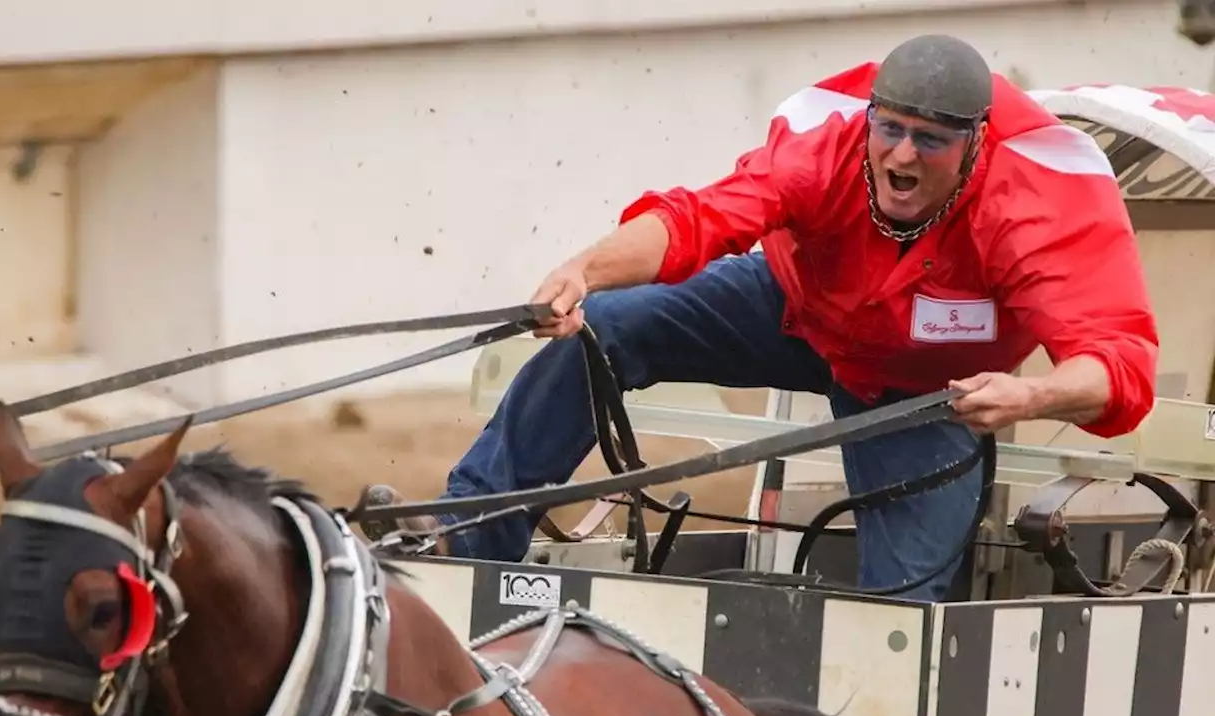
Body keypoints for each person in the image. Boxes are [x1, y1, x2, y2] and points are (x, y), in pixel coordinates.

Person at [359, 33, 1159, 602]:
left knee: (900, 618)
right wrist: (581, 271)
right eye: (891, 130)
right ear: (868, 121)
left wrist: (1029, 398)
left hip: (922, 390)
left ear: (976, 145)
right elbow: (699, 220)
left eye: (931, 141)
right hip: (789, 307)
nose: (903, 156)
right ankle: (469, 536)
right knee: (606, 326)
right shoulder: (826, 146)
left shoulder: (1042, 201)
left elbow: (1119, 364)